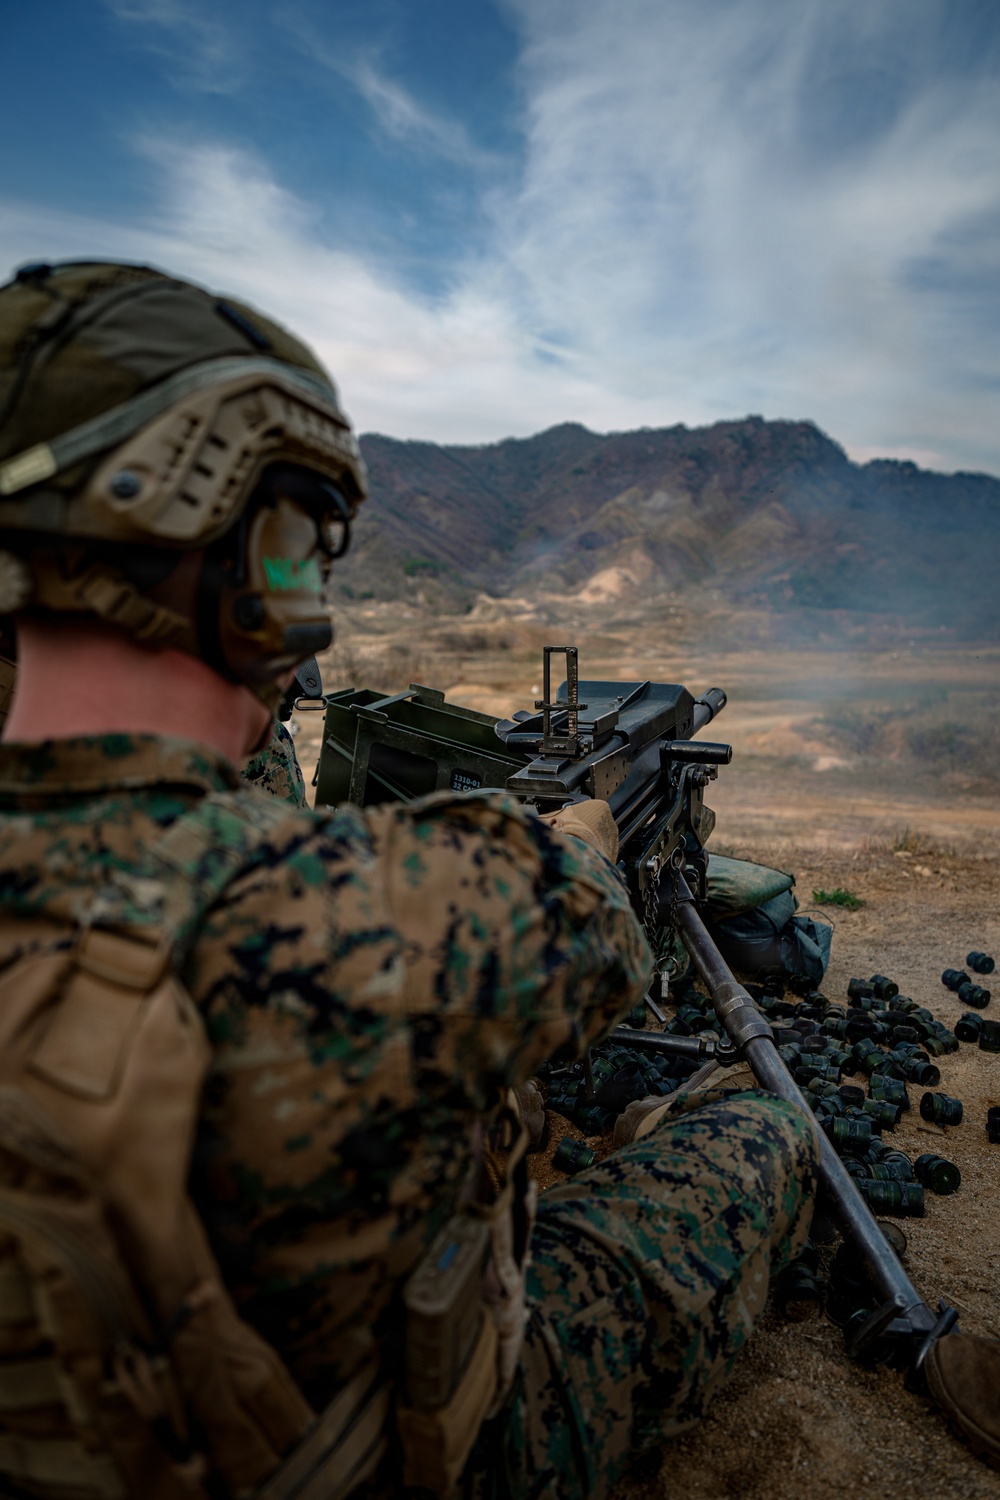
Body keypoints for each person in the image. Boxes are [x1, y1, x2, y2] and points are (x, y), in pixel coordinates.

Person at [0, 260, 826, 1500]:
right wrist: (575, 841)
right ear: (248, 556)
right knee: (764, 1133)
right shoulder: (371, 907)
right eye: (299, 547)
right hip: (367, 1452)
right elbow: (589, 921)